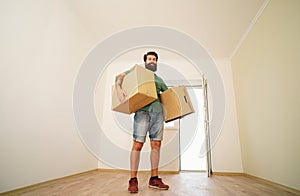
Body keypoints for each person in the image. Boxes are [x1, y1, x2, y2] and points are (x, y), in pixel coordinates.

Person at [115, 51, 170, 193]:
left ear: (156, 62)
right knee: (138, 144)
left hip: (158, 114)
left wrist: (176, 112)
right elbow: (119, 77)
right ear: (145, 61)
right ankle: (133, 180)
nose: (152, 61)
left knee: (156, 144)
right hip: (142, 113)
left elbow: (168, 98)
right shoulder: (136, 73)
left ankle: (154, 178)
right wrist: (119, 89)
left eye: (154, 59)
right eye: (149, 59)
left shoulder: (160, 80)